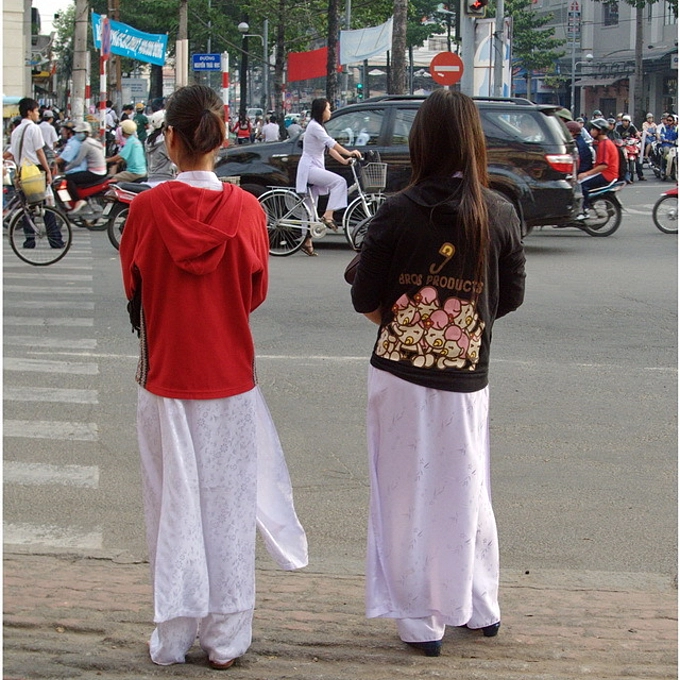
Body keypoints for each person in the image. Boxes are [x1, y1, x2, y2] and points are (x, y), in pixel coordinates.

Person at [118, 83, 308, 670]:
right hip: (230, 382)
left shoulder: (146, 210)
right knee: (227, 511)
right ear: (223, 137)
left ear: (170, 140)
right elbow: (253, 293)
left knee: (170, 512)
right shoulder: (249, 211)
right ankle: (226, 640)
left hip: (165, 382)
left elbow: (134, 290)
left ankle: (172, 637)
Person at [350, 89, 525, 658]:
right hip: (467, 374)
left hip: (400, 375)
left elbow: (364, 298)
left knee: (407, 493)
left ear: (419, 142)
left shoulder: (397, 210)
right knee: (468, 484)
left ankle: (422, 619)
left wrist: (411, 321)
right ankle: (480, 604)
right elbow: (509, 297)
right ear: (475, 142)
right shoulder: (499, 212)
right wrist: (460, 326)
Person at [295, 97, 361, 256]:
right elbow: (331, 143)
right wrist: (349, 152)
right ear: (321, 111)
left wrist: (344, 161)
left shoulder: (318, 126)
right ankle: (328, 215)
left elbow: (329, 149)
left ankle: (306, 241)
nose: (330, 112)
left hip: (314, 167)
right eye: (328, 109)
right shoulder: (314, 126)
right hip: (310, 168)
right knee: (339, 182)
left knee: (310, 207)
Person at [4, 97, 65, 248]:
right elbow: (40, 152)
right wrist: (48, 171)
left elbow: (12, 152)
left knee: (27, 207)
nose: (38, 114)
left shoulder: (16, 130)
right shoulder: (33, 128)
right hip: (35, 172)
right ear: (29, 112)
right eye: (37, 111)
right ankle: (55, 239)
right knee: (47, 205)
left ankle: (29, 240)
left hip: (21, 173)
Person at [576, 118, 619, 220]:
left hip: (606, 174)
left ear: (600, 131)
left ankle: (585, 210)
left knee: (581, 183)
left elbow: (603, 165)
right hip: (606, 173)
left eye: (593, 129)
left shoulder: (604, 144)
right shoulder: (602, 142)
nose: (591, 131)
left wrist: (586, 174)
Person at [64, 121, 108, 212]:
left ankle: (78, 200)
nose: (78, 134)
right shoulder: (93, 142)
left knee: (69, 179)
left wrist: (66, 168)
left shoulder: (86, 144)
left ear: (86, 133)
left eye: (80, 132)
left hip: (95, 172)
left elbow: (78, 161)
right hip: (101, 170)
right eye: (77, 132)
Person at [143, 110, 175, 187]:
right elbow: (175, 160)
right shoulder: (165, 141)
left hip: (150, 179)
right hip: (165, 180)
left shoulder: (149, 140)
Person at [615, 114, 645, 181]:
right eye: (623, 120)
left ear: (629, 121)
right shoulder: (618, 127)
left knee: (638, 159)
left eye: (626, 121)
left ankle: (640, 175)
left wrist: (641, 139)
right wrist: (619, 141)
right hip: (622, 145)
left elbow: (636, 133)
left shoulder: (632, 127)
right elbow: (617, 136)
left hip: (631, 144)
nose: (625, 122)